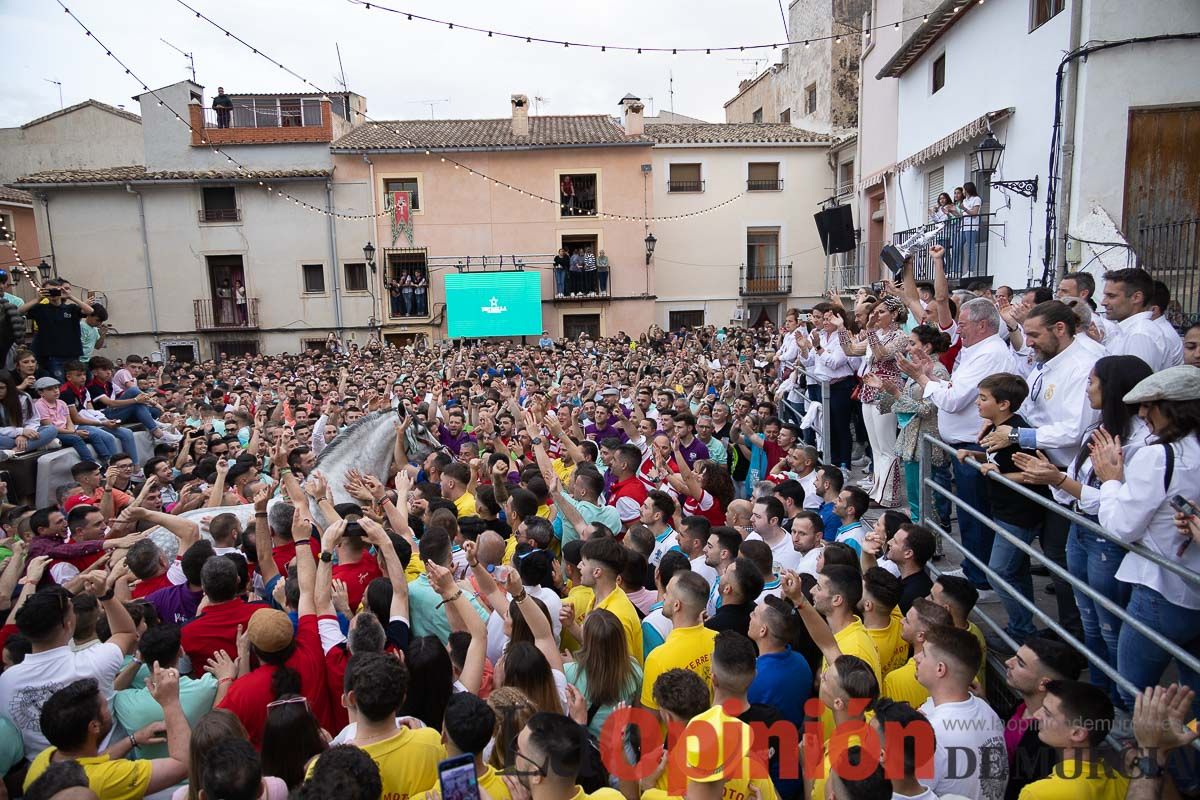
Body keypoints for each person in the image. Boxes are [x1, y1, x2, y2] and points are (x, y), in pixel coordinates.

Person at [1013, 354, 1154, 698]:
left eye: (1093, 382)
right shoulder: (1098, 431)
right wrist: (1054, 478)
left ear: (1115, 388)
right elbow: (1076, 493)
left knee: (1110, 625)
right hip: (1080, 529)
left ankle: (1118, 702)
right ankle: (1098, 693)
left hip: (1106, 540)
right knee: (1088, 619)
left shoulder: (1142, 444)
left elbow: (1113, 503)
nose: (1087, 389)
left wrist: (1059, 479)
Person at [1096, 366, 1200, 718]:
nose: (1142, 415)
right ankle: (1185, 769)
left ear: (1173, 408)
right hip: (1190, 587)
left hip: (1161, 590)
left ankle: (1148, 762)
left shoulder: (1159, 456)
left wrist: (1110, 481)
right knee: (1192, 700)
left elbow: (1121, 527)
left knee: (1132, 690)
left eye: (1149, 406)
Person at [901, 289, 1015, 598]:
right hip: (964, 445)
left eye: (962, 323)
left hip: (975, 445)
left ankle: (981, 579)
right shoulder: (975, 350)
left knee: (977, 514)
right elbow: (952, 388)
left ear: (982, 325)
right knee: (968, 514)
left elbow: (952, 400)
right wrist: (931, 377)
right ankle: (973, 567)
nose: (956, 328)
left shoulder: (990, 353)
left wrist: (924, 380)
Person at [23, 668, 192, 798]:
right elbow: (183, 765)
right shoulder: (107, 780)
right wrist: (170, 702)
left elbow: (95, 762)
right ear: (94, 726)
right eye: (105, 706)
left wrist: (133, 739)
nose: (108, 708)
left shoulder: (45, 757)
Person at [916, 624, 1009, 799]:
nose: (916, 657)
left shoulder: (931, 733)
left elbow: (907, 794)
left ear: (940, 669)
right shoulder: (987, 710)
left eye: (924, 654)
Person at [1002, 635, 1087, 799]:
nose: (1008, 662)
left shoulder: (1045, 741)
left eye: (1020, 663)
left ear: (1044, 683)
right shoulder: (1022, 706)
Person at [640, 571, 716, 710]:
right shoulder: (718, 640)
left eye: (667, 593)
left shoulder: (658, 658)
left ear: (677, 605)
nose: (663, 595)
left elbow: (651, 721)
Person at [1101, 267, 1177, 371]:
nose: (1103, 302)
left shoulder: (1140, 334)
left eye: (1111, 296)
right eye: (1105, 295)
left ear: (1136, 297)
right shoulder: (1130, 331)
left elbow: (1136, 383)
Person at [20, 278, 95, 381]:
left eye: (55, 290)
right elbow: (20, 311)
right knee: (59, 382)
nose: (53, 293)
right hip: (52, 355)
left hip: (72, 354)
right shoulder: (41, 308)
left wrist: (69, 296)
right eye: (49, 291)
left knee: (76, 382)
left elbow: (90, 310)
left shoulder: (71, 308)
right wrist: (38, 299)